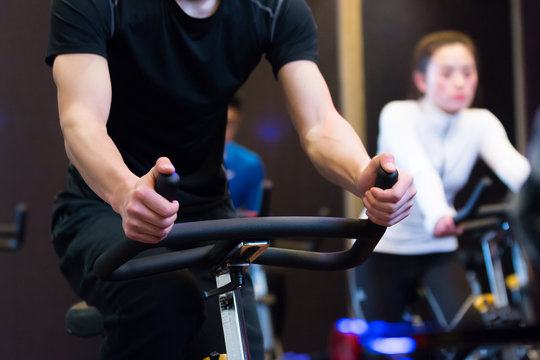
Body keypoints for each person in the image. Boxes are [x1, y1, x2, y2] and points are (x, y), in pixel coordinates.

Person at [45, 1, 416, 359]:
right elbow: (81, 120)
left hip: (208, 216)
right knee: (164, 301)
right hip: (104, 208)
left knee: (238, 345)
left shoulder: (273, 8)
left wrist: (361, 173)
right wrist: (125, 191)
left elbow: (320, 123)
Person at [354, 30, 531, 333]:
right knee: (386, 348)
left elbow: (517, 169)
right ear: (422, 80)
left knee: (468, 336)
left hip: (437, 247)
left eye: (467, 72)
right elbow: (419, 168)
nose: (460, 82)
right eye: (447, 73)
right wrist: (438, 214)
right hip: (383, 247)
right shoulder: (398, 114)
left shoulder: (481, 122)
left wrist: (535, 195)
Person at [224, 94, 266, 217]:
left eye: (229, 124)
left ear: (237, 124)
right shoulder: (187, 157)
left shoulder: (250, 164)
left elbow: (256, 216)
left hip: (229, 232)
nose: (222, 131)